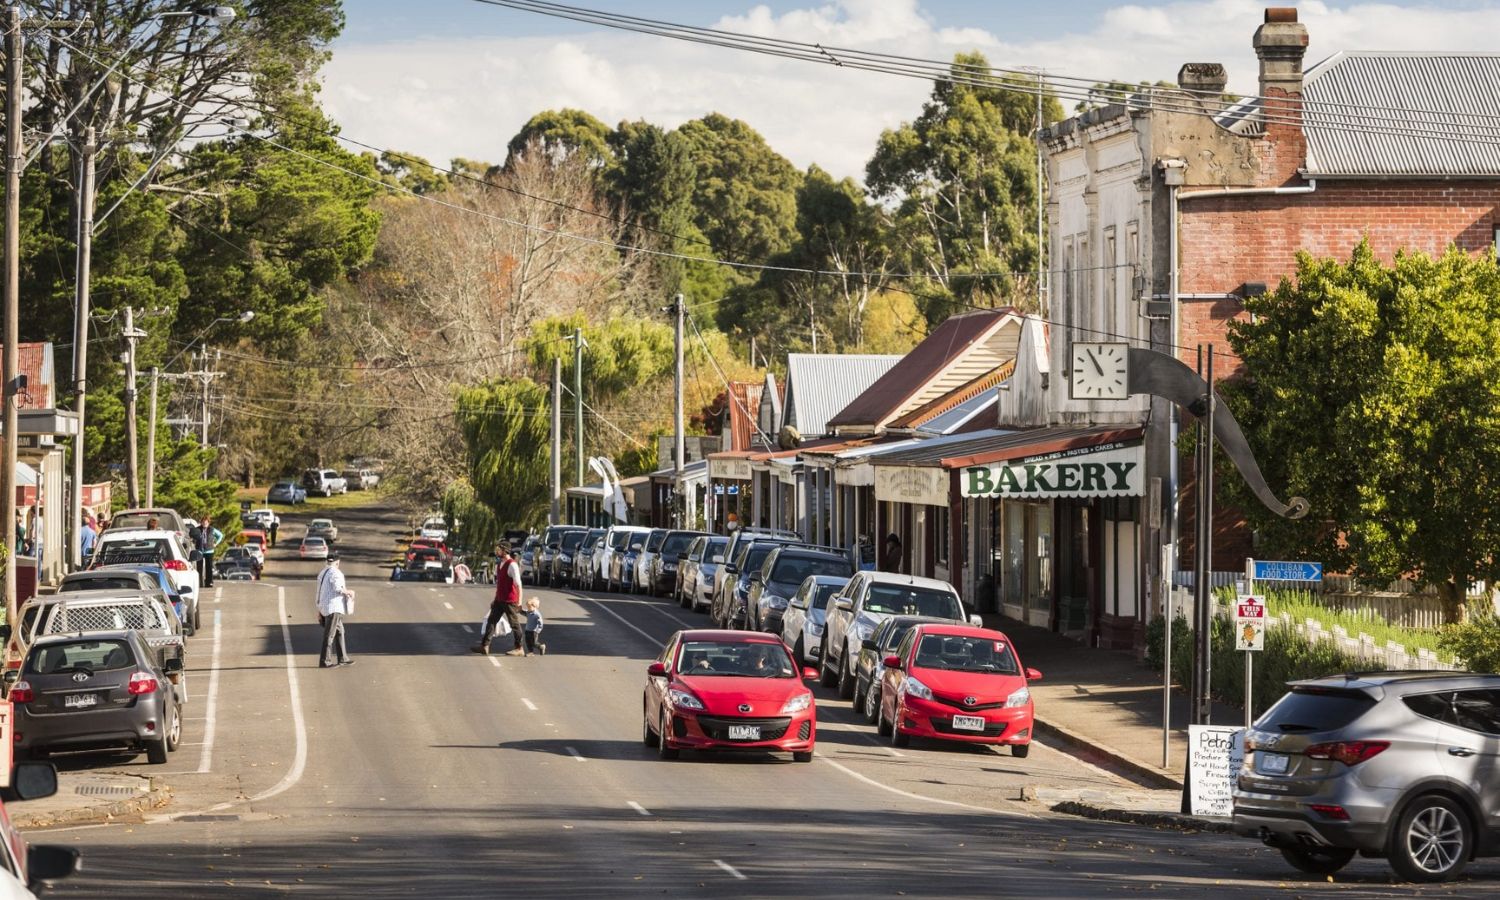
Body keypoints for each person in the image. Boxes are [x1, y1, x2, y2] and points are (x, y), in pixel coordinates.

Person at [471, 542, 525, 656]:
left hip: (510, 601)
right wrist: (495, 599)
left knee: (514, 624)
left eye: (499, 549)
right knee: (491, 621)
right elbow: (500, 585)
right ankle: (484, 646)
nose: (497, 551)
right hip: (500, 600)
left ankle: (519, 648)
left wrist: (519, 602)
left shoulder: (512, 565)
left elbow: (518, 584)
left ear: (505, 551)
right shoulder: (500, 564)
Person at [316, 553, 356, 668]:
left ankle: (343, 658)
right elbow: (338, 587)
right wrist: (349, 592)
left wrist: (319, 608)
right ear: (337, 562)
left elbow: (319, 592)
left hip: (326, 607)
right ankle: (325, 661)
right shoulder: (335, 572)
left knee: (340, 631)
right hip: (334, 607)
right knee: (329, 635)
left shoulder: (322, 573)